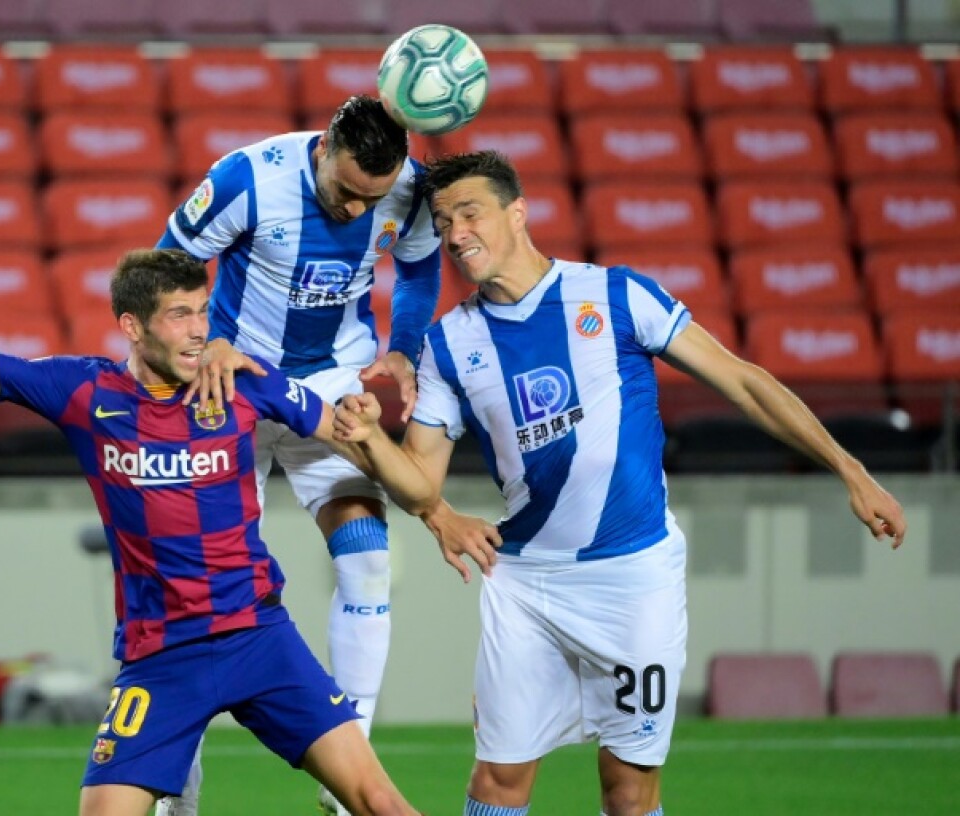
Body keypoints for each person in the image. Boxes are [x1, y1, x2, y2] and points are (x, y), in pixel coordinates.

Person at [330, 150, 907, 816]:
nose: (456, 233)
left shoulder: (615, 295)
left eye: (470, 213)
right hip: (526, 587)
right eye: (442, 220)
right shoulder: (449, 346)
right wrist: (373, 438)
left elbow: (744, 382)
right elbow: (420, 484)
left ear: (518, 213)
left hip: (634, 583)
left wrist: (849, 468)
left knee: (629, 793)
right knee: (498, 781)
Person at [0, 219, 423, 816]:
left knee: (378, 802)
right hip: (162, 655)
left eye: (203, 312)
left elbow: (358, 445)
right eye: (179, 315)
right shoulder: (83, 391)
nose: (198, 332)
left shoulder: (245, 383)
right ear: (131, 327)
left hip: (258, 637)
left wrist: (431, 504)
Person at [157, 95, 442, 814]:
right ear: (322, 151)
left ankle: (348, 774)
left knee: (369, 555)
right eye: (345, 191)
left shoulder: (405, 191)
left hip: (332, 389)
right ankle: (175, 793)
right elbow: (169, 268)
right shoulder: (246, 179)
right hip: (236, 385)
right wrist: (200, 344)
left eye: (370, 199)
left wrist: (404, 347)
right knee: (199, 590)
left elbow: (417, 269)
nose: (356, 210)